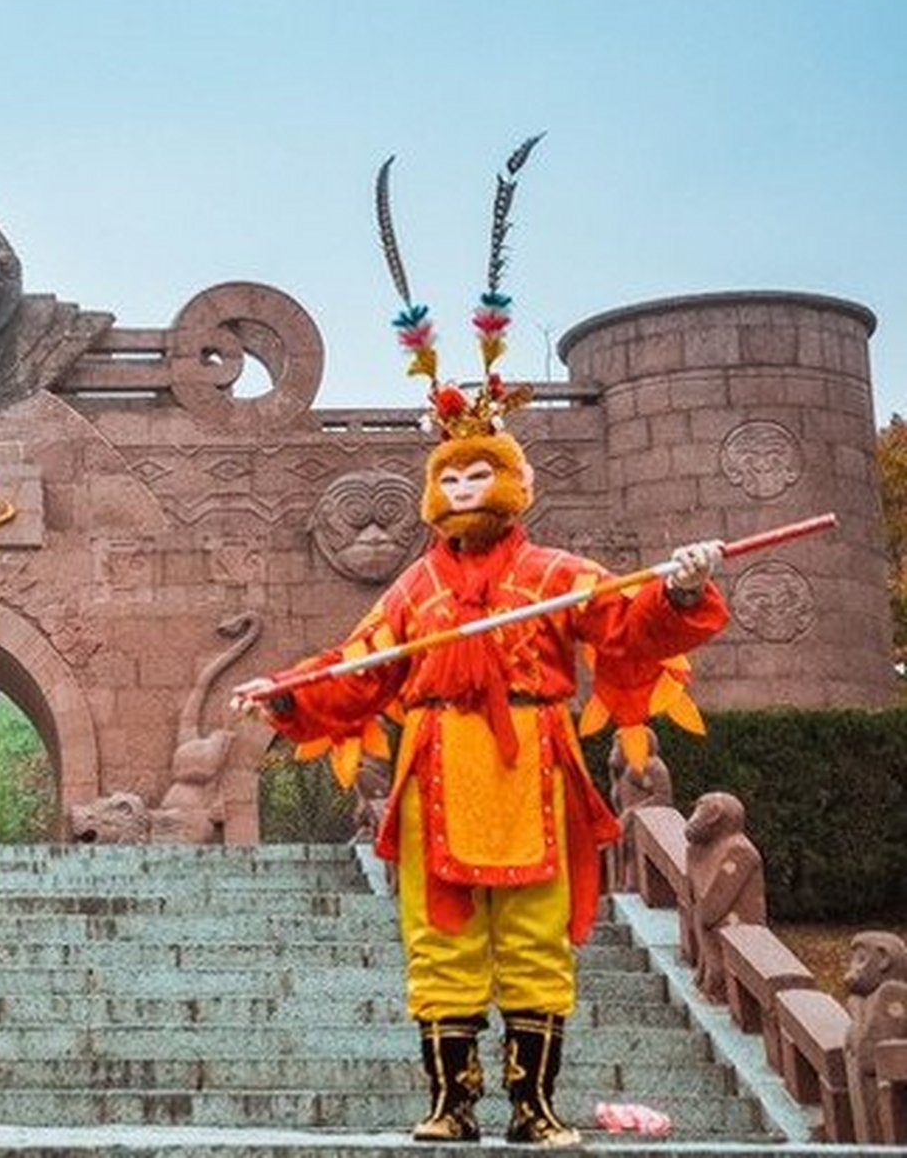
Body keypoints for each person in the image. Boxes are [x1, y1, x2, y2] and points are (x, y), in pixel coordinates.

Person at [233, 142, 730, 1148]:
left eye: (477, 478)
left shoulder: (555, 574)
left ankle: (534, 1104)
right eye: (448, 479)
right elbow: (360, 669)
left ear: (507, 483)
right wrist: (289, 693)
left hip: (533, 768)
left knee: (537, 943)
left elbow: (626, 625)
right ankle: (453, 1101)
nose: (461, 491)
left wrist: (680, 588)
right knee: (442, 942)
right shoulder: (414, 588)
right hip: (437, 776)